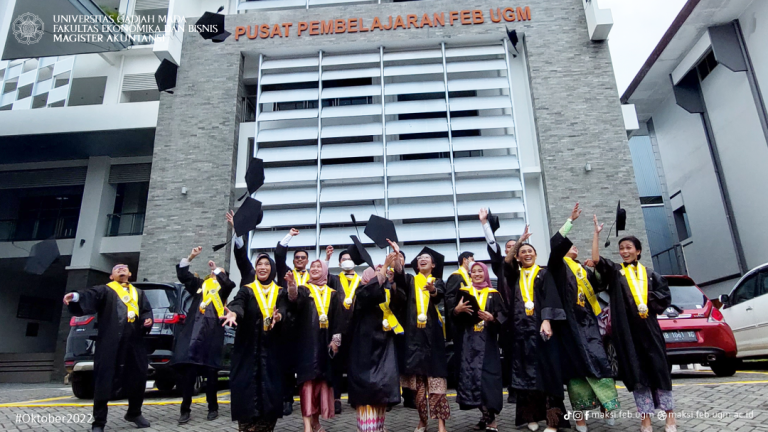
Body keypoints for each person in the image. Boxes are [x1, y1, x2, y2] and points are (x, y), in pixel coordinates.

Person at [591, 215, 676, 432]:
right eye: (622, 248)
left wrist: (647, 301)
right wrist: (596, 234)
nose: (624, 251)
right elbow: (597, 260)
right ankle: (645, 420)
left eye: (629, 247)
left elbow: (664, 297)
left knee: (660, 371)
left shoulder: (650, 274)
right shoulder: (616, 274)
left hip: (650, 331)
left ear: (638, 250)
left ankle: (670, 418)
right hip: (628, 334)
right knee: (637, 375)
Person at [548, 204, 619, 432]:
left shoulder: (584, 270)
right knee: (574, 372)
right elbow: (556, 244)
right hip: (568, 326)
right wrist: (570, 220)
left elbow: (600, 278)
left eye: (576, 246)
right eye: (571, 246)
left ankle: (606, 407)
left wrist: (596, 237)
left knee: (600, 364)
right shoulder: (557, 268)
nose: (574, 247)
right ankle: (579, 418)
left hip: (589, 325)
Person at [63, 264, 153, 432]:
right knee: (104, 380)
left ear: (130, 273)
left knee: (138, 377)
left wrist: (148, 320)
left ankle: (134, 412)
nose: (121, 269)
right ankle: (99, 422)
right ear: (111, 276)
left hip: (134, 343)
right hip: (110, 343)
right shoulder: (105, 290)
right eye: (116, 268)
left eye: (124, 267)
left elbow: (146, 311)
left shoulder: (139, 293)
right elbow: (89, 295)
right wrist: (75, 296)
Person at [503, 226, 569, 432]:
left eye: (530, 251)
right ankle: (530, 417)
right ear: (518, 258)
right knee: (525, 377)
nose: (527, 254)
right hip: (521, 334)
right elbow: (506, 262)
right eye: (523, 252)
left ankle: (553, 422)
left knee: (548, 376)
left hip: (542, 333)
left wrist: (547, 319)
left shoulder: (544, 274)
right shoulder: (515, 274)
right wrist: (521, 240)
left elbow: (550, 297)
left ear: (536, 255)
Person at [222, 252, 287, 432]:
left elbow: (284, 308)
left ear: (272, 268)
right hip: (247, 351)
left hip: (272, 352)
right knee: (246, 391)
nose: (263, 267)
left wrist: (279, 315)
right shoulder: (247, 290)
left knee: (269, 394)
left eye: (266, 264)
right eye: (260, 264)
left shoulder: (280, 291)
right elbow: (238, 303)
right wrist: (234, 313)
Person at [389, 240, 450, 432]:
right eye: (420, 258)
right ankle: (422, 420)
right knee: (418, 387)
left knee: (437, 383)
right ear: (416, 265)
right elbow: (398, 274)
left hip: (433, 338)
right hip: (414, 339)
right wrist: (397, 256)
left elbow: (439, 295)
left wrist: (432, 290)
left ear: (433, 265)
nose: (423, 260)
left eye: (427, 259)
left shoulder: (438, 281)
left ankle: (441, 424)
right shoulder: (410, 280)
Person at [172, 247, 236, 424]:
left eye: (219, 273)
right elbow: (184, 276)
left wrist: (218, 269)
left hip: (212, 335)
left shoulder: (223, 290)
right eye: (213, 272)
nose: (214, 273)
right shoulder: (200, 286)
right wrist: (191, 256)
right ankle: (185, 409)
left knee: (212, 374)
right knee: (189, 375)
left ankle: (213, 408)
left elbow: (229, 283)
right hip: (194, 335)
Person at [347, 256, 404, 432]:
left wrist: (395, 265)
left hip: (383, 349)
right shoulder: (361, 292)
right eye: (377, 273)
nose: (382, 274)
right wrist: (385, 265)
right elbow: (372, 291)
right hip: (365, 351)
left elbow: (401, 293)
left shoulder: (389, 293)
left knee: (380, 396)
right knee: (368, 396)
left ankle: (378, 428)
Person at [286, 259, 343, 432]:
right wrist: (291, 286)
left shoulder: (333, 293)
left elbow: (338, 319)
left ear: (325, 271)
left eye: (319, 267)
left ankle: (316, 423)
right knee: (307, 386)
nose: (315, 269)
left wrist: (335, 341)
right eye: (313, 267)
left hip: (325, 345)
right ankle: (307, 427)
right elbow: (294, 299)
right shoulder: (305, 289)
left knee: (320, 386)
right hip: (307, 345)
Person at [453, 261, 507, 432]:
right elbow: (454, 319)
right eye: (473, 272)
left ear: (485, 273)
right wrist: (457, 310)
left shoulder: (494, 294)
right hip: (468, 343)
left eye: (480, 271)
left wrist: (492, 319)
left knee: (488, 380)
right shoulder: (463, 293)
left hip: (488, 343)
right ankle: (485, 416)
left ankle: (490, 418)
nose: (477, 274)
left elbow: (504, 317)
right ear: (470, 275)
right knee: (471, 380)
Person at [480, 208, 517, 403]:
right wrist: (486, 225)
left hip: (529, 318)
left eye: (515, 246)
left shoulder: (531, 268)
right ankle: (513, 389)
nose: (511, 248)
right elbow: (493, 246)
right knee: (510, 354)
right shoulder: (501, 266)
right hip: (508, 319)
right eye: (508, 246)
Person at [274, 227, 310, 415]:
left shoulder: (314, 276)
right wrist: (289, 236)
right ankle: (287, 399)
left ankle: (307, 400)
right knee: (287, 365)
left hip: (307, 325)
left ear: (307, 261)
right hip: (287, 324)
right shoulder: (286, 272)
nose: (299, 260)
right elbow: (279, 254)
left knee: (305, 364)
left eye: (303, 258)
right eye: (297, 258)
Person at [324, 245, 362, 414]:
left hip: (356, 328)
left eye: (349, 259)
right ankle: (336, 398)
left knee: (355, 364)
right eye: (344, 259)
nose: (347, 262)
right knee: (336, 365)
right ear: (339, 263)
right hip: (338, 327)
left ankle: (355, 397)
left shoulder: (361, 281)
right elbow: (321, 276)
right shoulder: (333, 279)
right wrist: (326, 259)